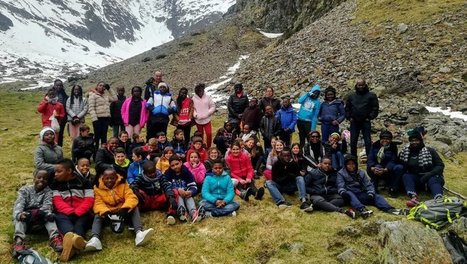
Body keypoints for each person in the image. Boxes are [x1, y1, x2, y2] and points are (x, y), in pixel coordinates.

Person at [85, 168, 154, 251]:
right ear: (103, 178)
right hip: (108, 213)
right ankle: (95, 239)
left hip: (122, 212)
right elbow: (97, 203)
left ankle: (139, 233)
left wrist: (125, 208)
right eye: (107, 178)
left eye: (112, 178)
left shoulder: (123, 184)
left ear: (116, 177)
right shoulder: (97, 188)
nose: (110, 180)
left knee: (134, 208)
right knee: (98, 215)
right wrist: (105, 212)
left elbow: (131, 197)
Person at [50, 159, 94, 262]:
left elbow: (89, 199)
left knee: (80, 225)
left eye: (59, 171)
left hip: (82, 213)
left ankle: (71, 246)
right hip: (64, 213)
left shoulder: (84, 182)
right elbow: (57, 201)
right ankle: (77, 242)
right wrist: (69, 211)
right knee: (63, 223)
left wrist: (78, 211)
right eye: (55, 171)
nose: (55, 174)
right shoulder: (55, 184)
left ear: (69, 171)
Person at [12, 170, 63, 255]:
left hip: (40, 217)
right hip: (27, 218)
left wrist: (41, 213)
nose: (42, 180)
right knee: (19, 218)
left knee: (50, 216)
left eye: (45, 179)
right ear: (34, 178)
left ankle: (55, 239)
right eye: (39, 177)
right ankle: (19, 242)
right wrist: (20, 215)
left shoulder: (49, 192)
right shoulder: (24, 190)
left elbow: (47, 206)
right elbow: (19, 205)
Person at [399, 129, 445, 207]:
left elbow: (440, 165)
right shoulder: (406, 152)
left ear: (421, 141)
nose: (414, 142)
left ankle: (438, 199)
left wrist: (430, 174)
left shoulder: (430, 151)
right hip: (417, 178)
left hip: (431, 176)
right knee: (406, 176)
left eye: (416, 140)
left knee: (433, 179)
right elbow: (400, 165)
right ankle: (413, 198)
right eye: (412, 141)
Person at [345, 79, 379, 157]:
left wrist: (370, 117)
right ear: (356, 85)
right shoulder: (351, 96)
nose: (361, 87)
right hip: (354, 121)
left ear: (365, 85)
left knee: (367, 141)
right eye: (359, 85)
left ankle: (370, 158)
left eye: (362, 85)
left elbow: (375, 108)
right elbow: (347, 108)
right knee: (353, 141)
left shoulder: (371, 95)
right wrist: (349, 117)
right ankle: (353, 159)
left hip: (365, 121)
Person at [366, 131, 403, 197]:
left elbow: (393, 160)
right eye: (383, 139)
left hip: (388, 170)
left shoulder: (393, 147)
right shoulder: (375, 145)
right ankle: (374, 187)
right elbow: (370, 158)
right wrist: (372, 167)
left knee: (399, 167)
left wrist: (386, 169)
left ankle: (393, 189)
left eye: (387, 139)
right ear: (380, 139)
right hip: (375, 168)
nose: (385, 141)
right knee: (378, 166)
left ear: (390, 140)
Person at [164, 156, 199, 222]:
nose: (175, 167)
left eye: (177, 164)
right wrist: (177, 190)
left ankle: (193, 212)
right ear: (170, 166)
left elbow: (193, 186)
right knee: (178, 197)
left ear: (181, 162)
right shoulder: (168, 174)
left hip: (186, 193)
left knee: (189, 197)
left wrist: (190, 192)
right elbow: (166, 187)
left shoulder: (186, 172)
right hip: (175, 195)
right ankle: (182, 212)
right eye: (172, 165)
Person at [88, 81, 117, 148]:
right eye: (100, 85)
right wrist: (95, 119)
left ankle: (103, 152)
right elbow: (91, 108)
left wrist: (109, 89)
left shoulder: (105, 96)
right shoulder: (92, 95)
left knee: (104, 137)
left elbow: (115, 99)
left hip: (106, 119)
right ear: (97, 86)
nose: (102, 87)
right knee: (97, 137)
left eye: (103, 86)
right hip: (97, 119)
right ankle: (96, 153)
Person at [192, 83, 216, 148]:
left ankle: (208, 147)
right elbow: (192, 108)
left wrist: (208, 112)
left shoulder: (208, 97)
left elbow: (213, 106)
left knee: (209, 134)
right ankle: (201, 147)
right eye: (199, 91)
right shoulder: (193, 99)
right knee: (200, 135)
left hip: (207, 119)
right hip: (198, 120)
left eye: (201, 91)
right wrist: (195, 115)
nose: (200, 93)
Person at [52, 79, 69, 147]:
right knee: (51, 134)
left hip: (62, 119)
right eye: (57, 85)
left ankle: (59, 149)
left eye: (60, 85)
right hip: (52, 118)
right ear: (54, 85)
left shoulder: (65, 95)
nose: (59, 87)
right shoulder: (50, 94)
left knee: (60, 134)